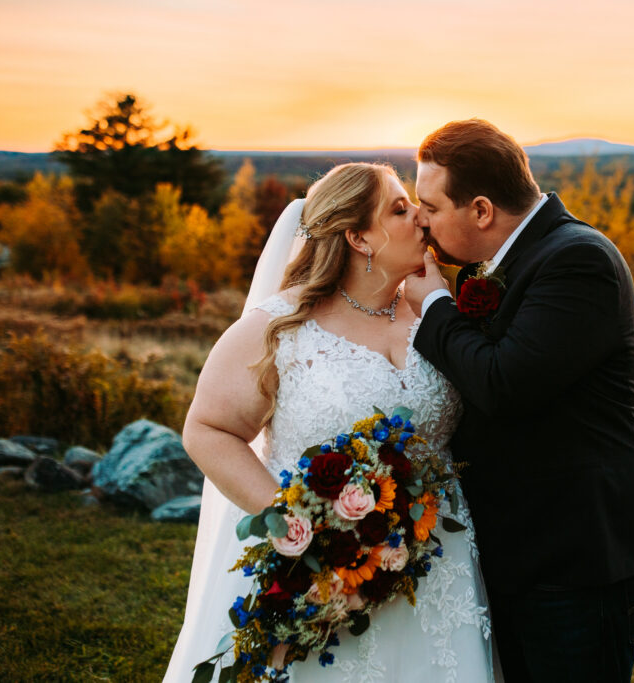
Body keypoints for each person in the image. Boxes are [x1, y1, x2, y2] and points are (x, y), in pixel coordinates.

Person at [163, 162, 495, 682]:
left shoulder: (437, 316)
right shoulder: (281, 327)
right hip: (321, 572)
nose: (422, 221)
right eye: (400, 209)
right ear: (358, 236)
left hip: (439, 571)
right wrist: (293, 524)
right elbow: (207, 429)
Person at [404, 119, 634, 682]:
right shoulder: (497, 263)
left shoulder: (579, 261)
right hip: (519, 554)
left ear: (481, 210)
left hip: (577, 558)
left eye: (430, 205)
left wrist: (434, 304)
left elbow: (504, 384)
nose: (421, 220)